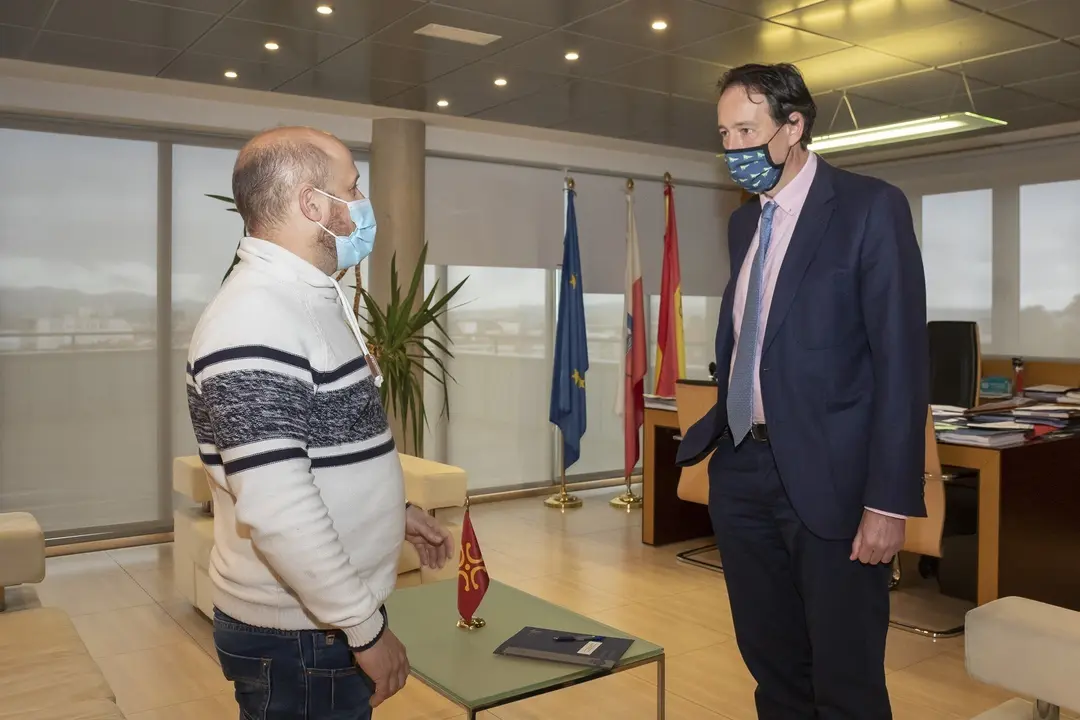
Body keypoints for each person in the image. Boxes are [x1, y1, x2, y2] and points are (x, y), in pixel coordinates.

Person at [676, 63, 929, 719]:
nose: (733, 148)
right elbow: (748, 340)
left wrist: (888, 502)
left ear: (795, 126)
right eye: (724, 132)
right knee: (773, 669)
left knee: (845, 682)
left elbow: (901, 365)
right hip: (743, 473)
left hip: (835, 484)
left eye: (747, 130)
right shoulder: (743, 224)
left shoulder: (870, 208)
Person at [185, 126, 455, 719]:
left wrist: (393, 513)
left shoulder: (308, 298)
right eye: (352, 188)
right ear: (313, 205)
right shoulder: (255, 318)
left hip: (316, 624)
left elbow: (319, 449)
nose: (364, 204)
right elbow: (278, 505)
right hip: (302, 635)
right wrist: (364, 629)